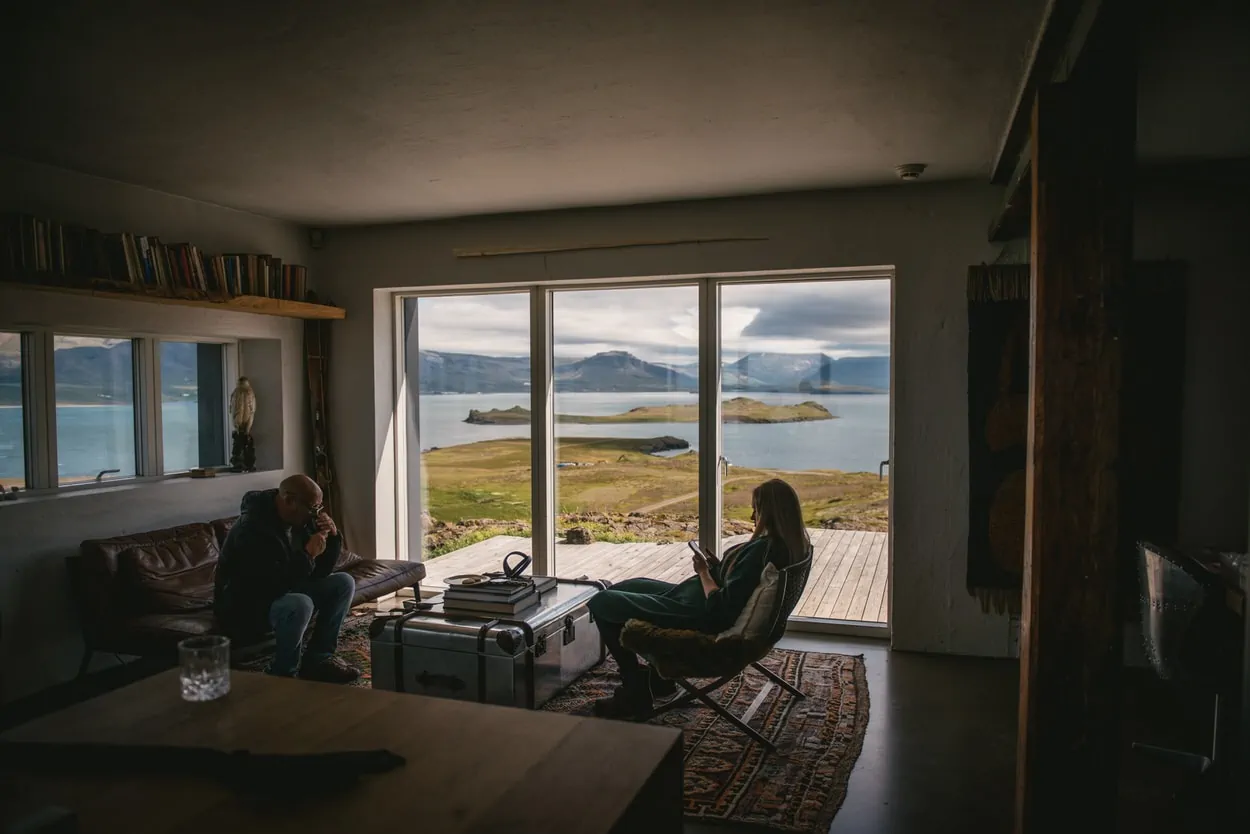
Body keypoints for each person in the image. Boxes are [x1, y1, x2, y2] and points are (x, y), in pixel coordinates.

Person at [586, 478, 810, 719]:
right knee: (628, 586)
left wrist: (703, 571)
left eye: (756, 509)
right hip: (693, 598)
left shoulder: (762, 550)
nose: (751, 516)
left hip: (698, 612)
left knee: (603, 601)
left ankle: (634, 691)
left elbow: (720, 608)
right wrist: (721, 568)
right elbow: (741, 586)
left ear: (770, 513)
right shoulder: (791, 546)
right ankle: (659, 681)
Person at [214, 474, 361, 683]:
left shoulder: (300, 519)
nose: (316, 514)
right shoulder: (251, 530)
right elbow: (271, 585)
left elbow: (320, 573)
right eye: (313, 508)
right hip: (245, 605)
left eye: (318, 508)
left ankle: (319, 659)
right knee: (300, 603)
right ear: (290, 501)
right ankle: (283, 675)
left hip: (280, 591)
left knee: (343, 583)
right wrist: (308, 555)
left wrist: (333, 537)